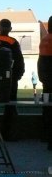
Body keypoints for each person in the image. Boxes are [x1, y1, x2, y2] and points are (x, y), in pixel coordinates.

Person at [0, 19, 25, 141]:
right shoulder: (13, 42)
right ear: (10, 29)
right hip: (9, 80)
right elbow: (19, 61)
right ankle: (8, 134)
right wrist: (18, 76)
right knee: (10, 107)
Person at [38, 16, 52, 150]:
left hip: (47, 83)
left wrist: (43, 79)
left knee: (47, 109)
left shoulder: (44, 40)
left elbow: (41, 63)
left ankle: (46, 137)